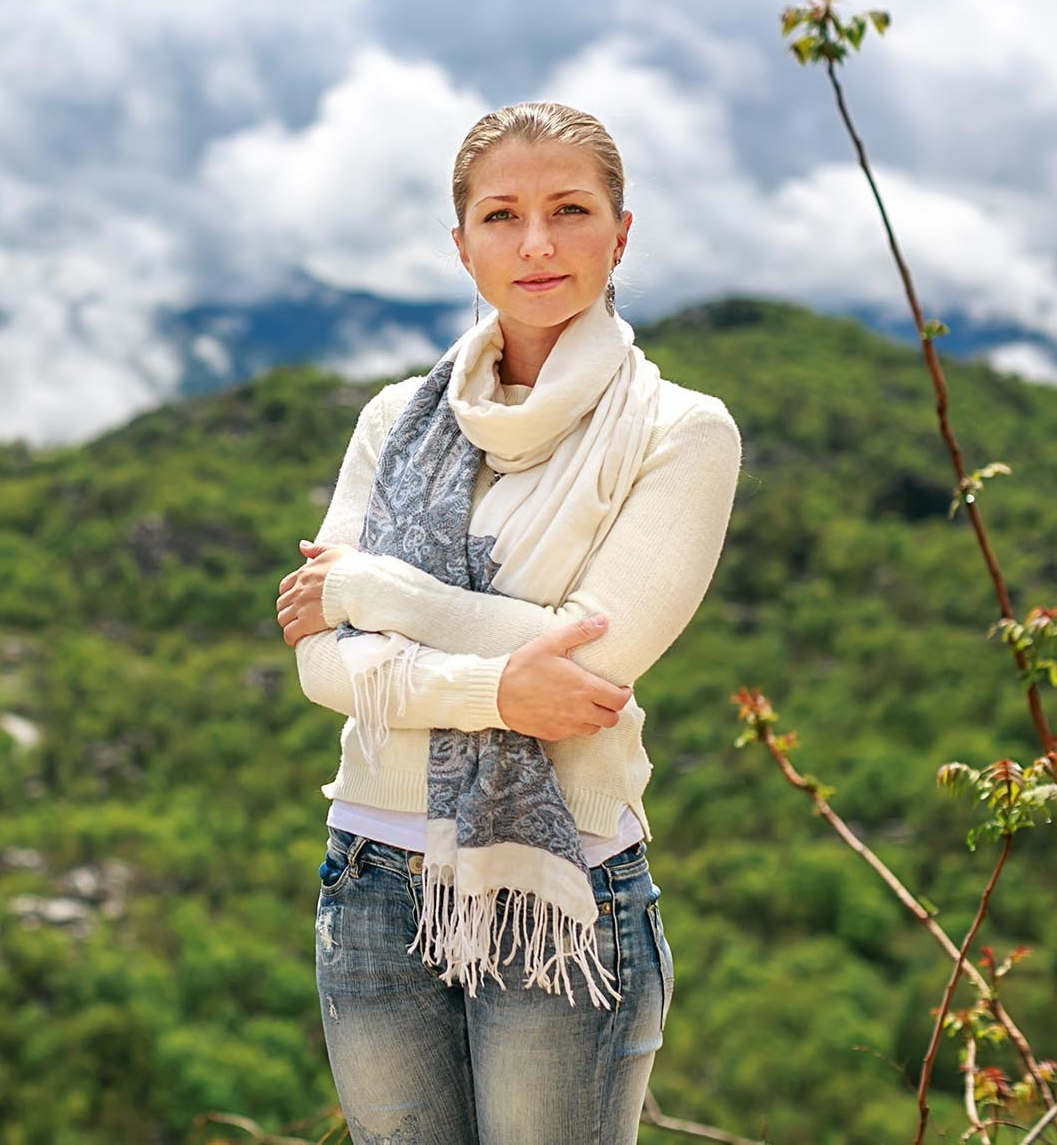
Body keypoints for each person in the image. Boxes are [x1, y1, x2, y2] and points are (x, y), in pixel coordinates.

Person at [275, 101, 743, 1143]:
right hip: (368, 878)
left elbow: (587, 667)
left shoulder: (677, 431)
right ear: (461, 244)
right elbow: (319, 666)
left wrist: (374, 592)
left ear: (619, 232)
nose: (534, 243)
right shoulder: (395, 419)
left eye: (568, 209)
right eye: (500, 215)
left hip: (561, 889)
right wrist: (490, 685)